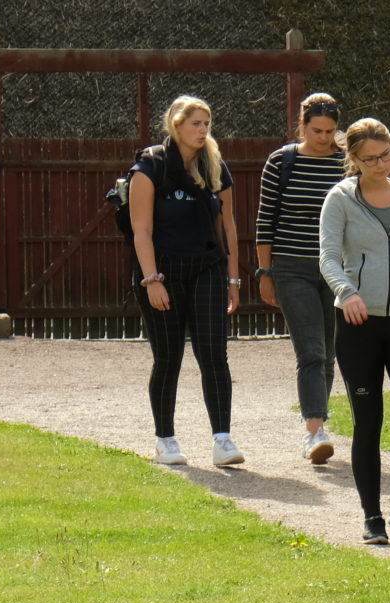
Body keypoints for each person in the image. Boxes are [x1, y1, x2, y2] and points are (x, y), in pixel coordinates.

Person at [320, 118, 390, 546]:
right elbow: (328, 256)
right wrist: (347, 292)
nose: (379, 165)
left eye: (385, 155)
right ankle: (371, 516)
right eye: (369, 159)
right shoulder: (340, 199)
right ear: (353, 159)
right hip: (358, 323)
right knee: (368, 422)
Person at [127, 95, 244, 468]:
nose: (202, 130)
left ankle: (222, 439)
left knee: (214, 355)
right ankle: (165, 440)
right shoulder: (150, 167)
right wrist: (151, 280)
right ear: (176, 125)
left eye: (206, 123)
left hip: (206, 268)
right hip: (162, 272)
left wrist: (234, 280)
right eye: (195, 123)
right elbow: (141, 230)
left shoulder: (215, 166)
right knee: (168, 358)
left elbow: (228, 226)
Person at [255, 93, 347, 465]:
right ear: (302, 125)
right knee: (310, 349)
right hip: (292, 266)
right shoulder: (282, 161)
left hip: (337, 267)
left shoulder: (345, 161)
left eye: (330, 131)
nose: (324, 137)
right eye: (316, 130)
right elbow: (266, 221)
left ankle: (318, 420)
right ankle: (313, 430)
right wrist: (265, 273)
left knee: (328, 353)